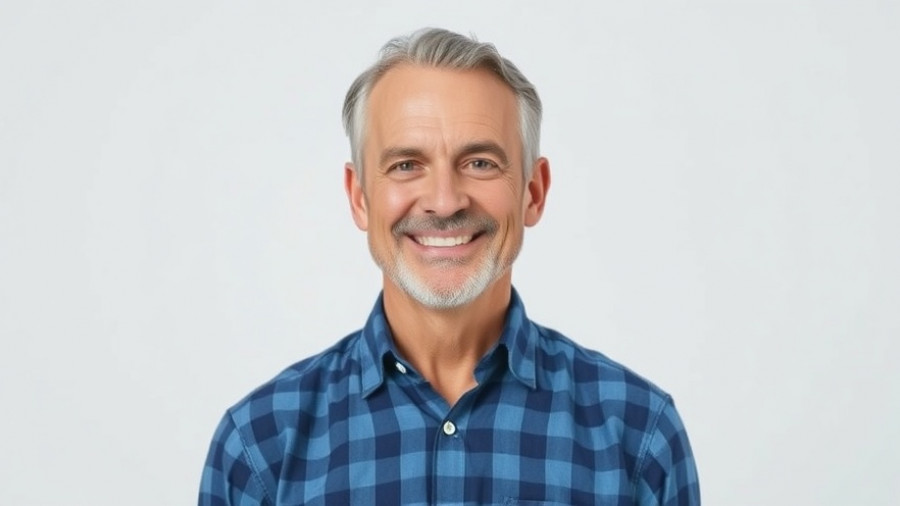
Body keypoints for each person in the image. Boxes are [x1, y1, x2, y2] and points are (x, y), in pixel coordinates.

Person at [199, 27, 700, 505]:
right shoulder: (258, 447)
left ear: (534, 190)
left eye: (480, 162)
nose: (444, 201)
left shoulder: (639, 434)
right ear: (359, 198)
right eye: (406, 165)